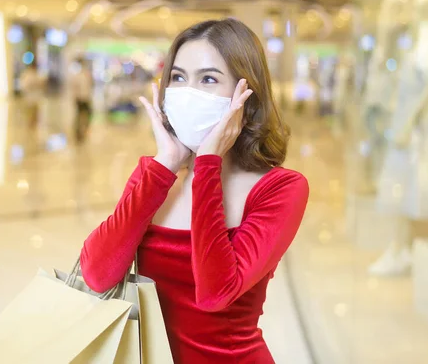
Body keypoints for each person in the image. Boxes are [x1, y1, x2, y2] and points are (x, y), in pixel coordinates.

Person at [79, 18, 309, 363]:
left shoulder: (279, 189)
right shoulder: (156, 174)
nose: (188, 92)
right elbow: (97, 275)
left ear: (246, 96)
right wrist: (166, 164)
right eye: (178, 77)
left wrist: (207, 166)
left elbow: (216, 294)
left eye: (208, 79)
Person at [69, 58, 93, 143]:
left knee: (88, 115)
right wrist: (75, 97)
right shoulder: (77, 76)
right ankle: (78, 132)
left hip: (86, 98)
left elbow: (89, 86)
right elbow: (74, 88)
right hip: (79, 99)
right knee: (79, 116)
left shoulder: (87, 75)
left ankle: (84, 130)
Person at [18, 62, 45, 132]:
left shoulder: (37, 74)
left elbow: (41, 84)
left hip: (36, 97)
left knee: (35, 112)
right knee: (30, 112)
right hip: (29, 97)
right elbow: (24, 86)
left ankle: (34, 124)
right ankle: (30, 125)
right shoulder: (27, 74)